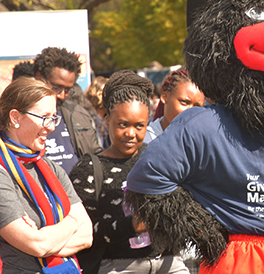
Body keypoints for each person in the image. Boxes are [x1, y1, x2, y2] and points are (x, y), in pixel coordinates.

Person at [69, 70, 189, 274]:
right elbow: (81, 232)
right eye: (122, 125)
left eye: (139, 126)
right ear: (107, 121)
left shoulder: (157, 158)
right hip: (119, 265)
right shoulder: (90, 168)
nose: (130, 134)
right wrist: (131, 225)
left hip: (168, 262)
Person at [0, 77, 93, 273]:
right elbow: (36, 245)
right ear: (15, 117)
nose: (51, 127)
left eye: (54, 117)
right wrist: (72, 222)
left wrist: (46, 240)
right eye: (45, 118)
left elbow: (86, 234)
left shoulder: (49, 167)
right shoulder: (2, 171)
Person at [33, 47, 102, 173]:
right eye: (57, 87)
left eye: (68, 90)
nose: (62, 95)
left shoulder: (80, 115)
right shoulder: (19, 116)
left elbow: (97, 156)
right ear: (39, 77)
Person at [144, 69, 205, 143]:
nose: (191, 111)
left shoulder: (201, 143)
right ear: (165, 97)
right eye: (184, 102)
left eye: (197, 106)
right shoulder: (144, 142)